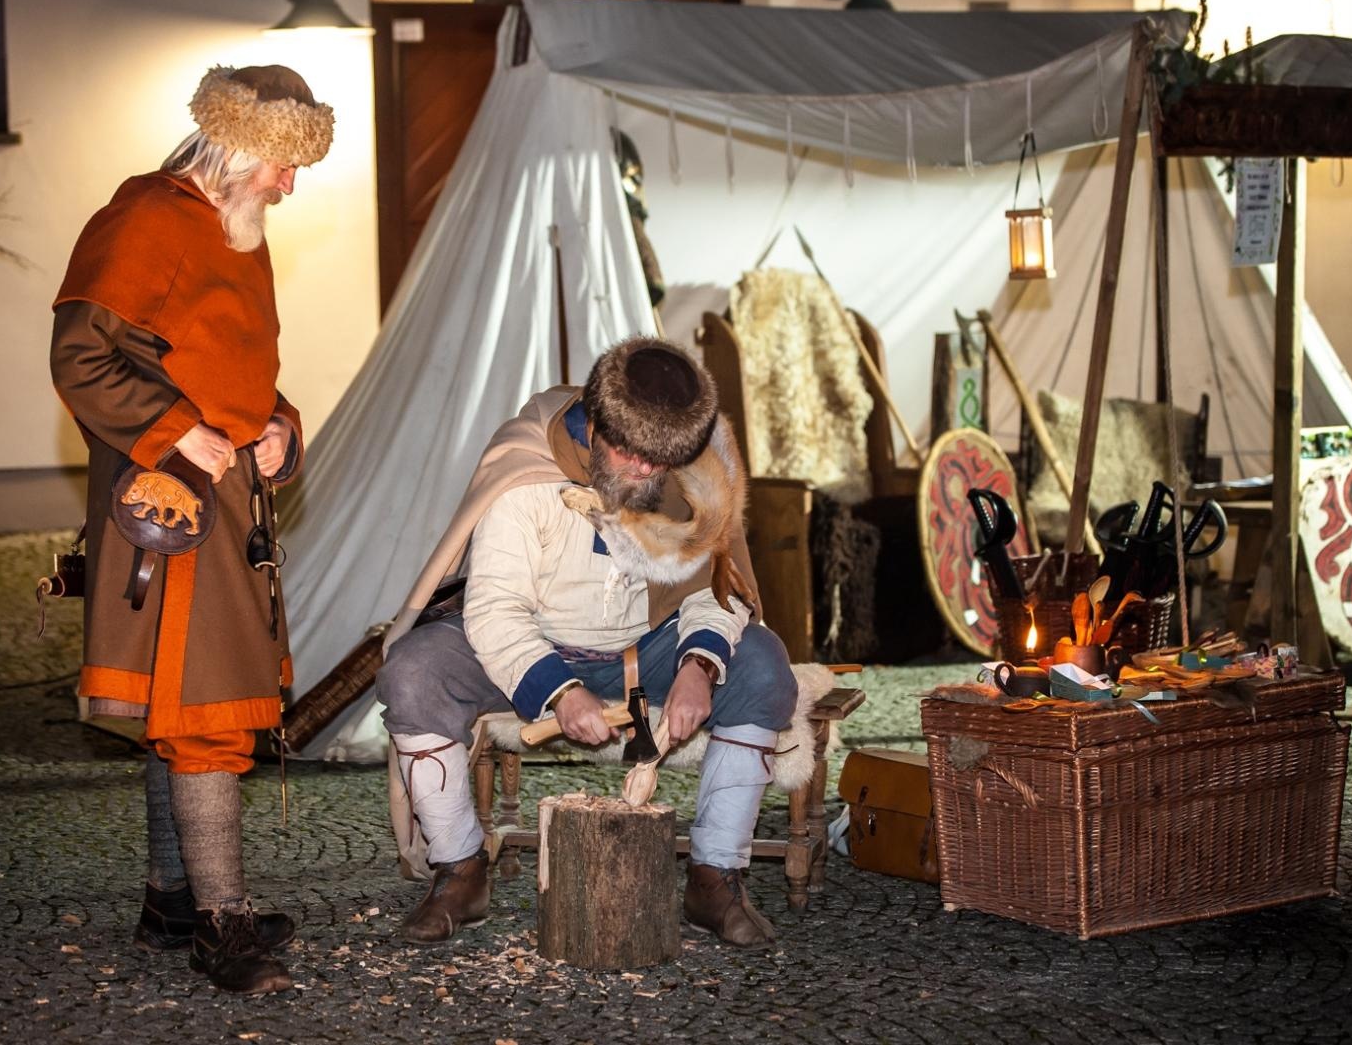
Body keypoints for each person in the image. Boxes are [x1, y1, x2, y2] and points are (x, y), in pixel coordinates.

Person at [49, 65, 333, 994]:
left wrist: (282, 426)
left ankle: (172, 897)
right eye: (281, 166)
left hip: (226, 504)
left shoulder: (236, 234)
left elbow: (235, 369)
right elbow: (79, 354)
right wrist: (182, 434)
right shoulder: (147, 219)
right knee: (204, 711)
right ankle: (223, 927)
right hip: (168, 508)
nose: (289, 187)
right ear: (237, 145)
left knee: (189, 704)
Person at [376, 337, 799, 948]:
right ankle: (461, 873)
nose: (647, 475)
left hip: (647, 646)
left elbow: (717, 584)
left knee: (762, 666)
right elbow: (494, 609)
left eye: (662, 463)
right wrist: (559, 692)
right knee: (413, 673)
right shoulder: (526, 470)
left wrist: (700, 665)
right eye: (632, 458)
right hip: (529, 647)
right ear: (596, 424)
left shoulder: (695, 471)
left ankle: (714, 877)